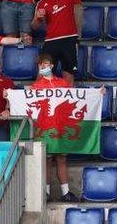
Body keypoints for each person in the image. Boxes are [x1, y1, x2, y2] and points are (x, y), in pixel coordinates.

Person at [32, 0, 91, 85]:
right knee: (41, 77)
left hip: (69, 40)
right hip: (50, 41)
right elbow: (34, 26)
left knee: (68, 78)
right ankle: (34, 104)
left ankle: (67, 106)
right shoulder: (42, 2)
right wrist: (38, 18)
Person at [29, 55, 76, 202]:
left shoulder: (63, 83)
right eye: (40, 65)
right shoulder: (35, 86)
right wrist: (9, 95)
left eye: (45, 64)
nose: (43, 67)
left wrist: (97, 94)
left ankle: (65, 192)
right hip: (44, 127)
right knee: (46, 161)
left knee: (61, 159)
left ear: (52, 65)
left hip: (60, 126)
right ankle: (46, 193)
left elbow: (76, 98)